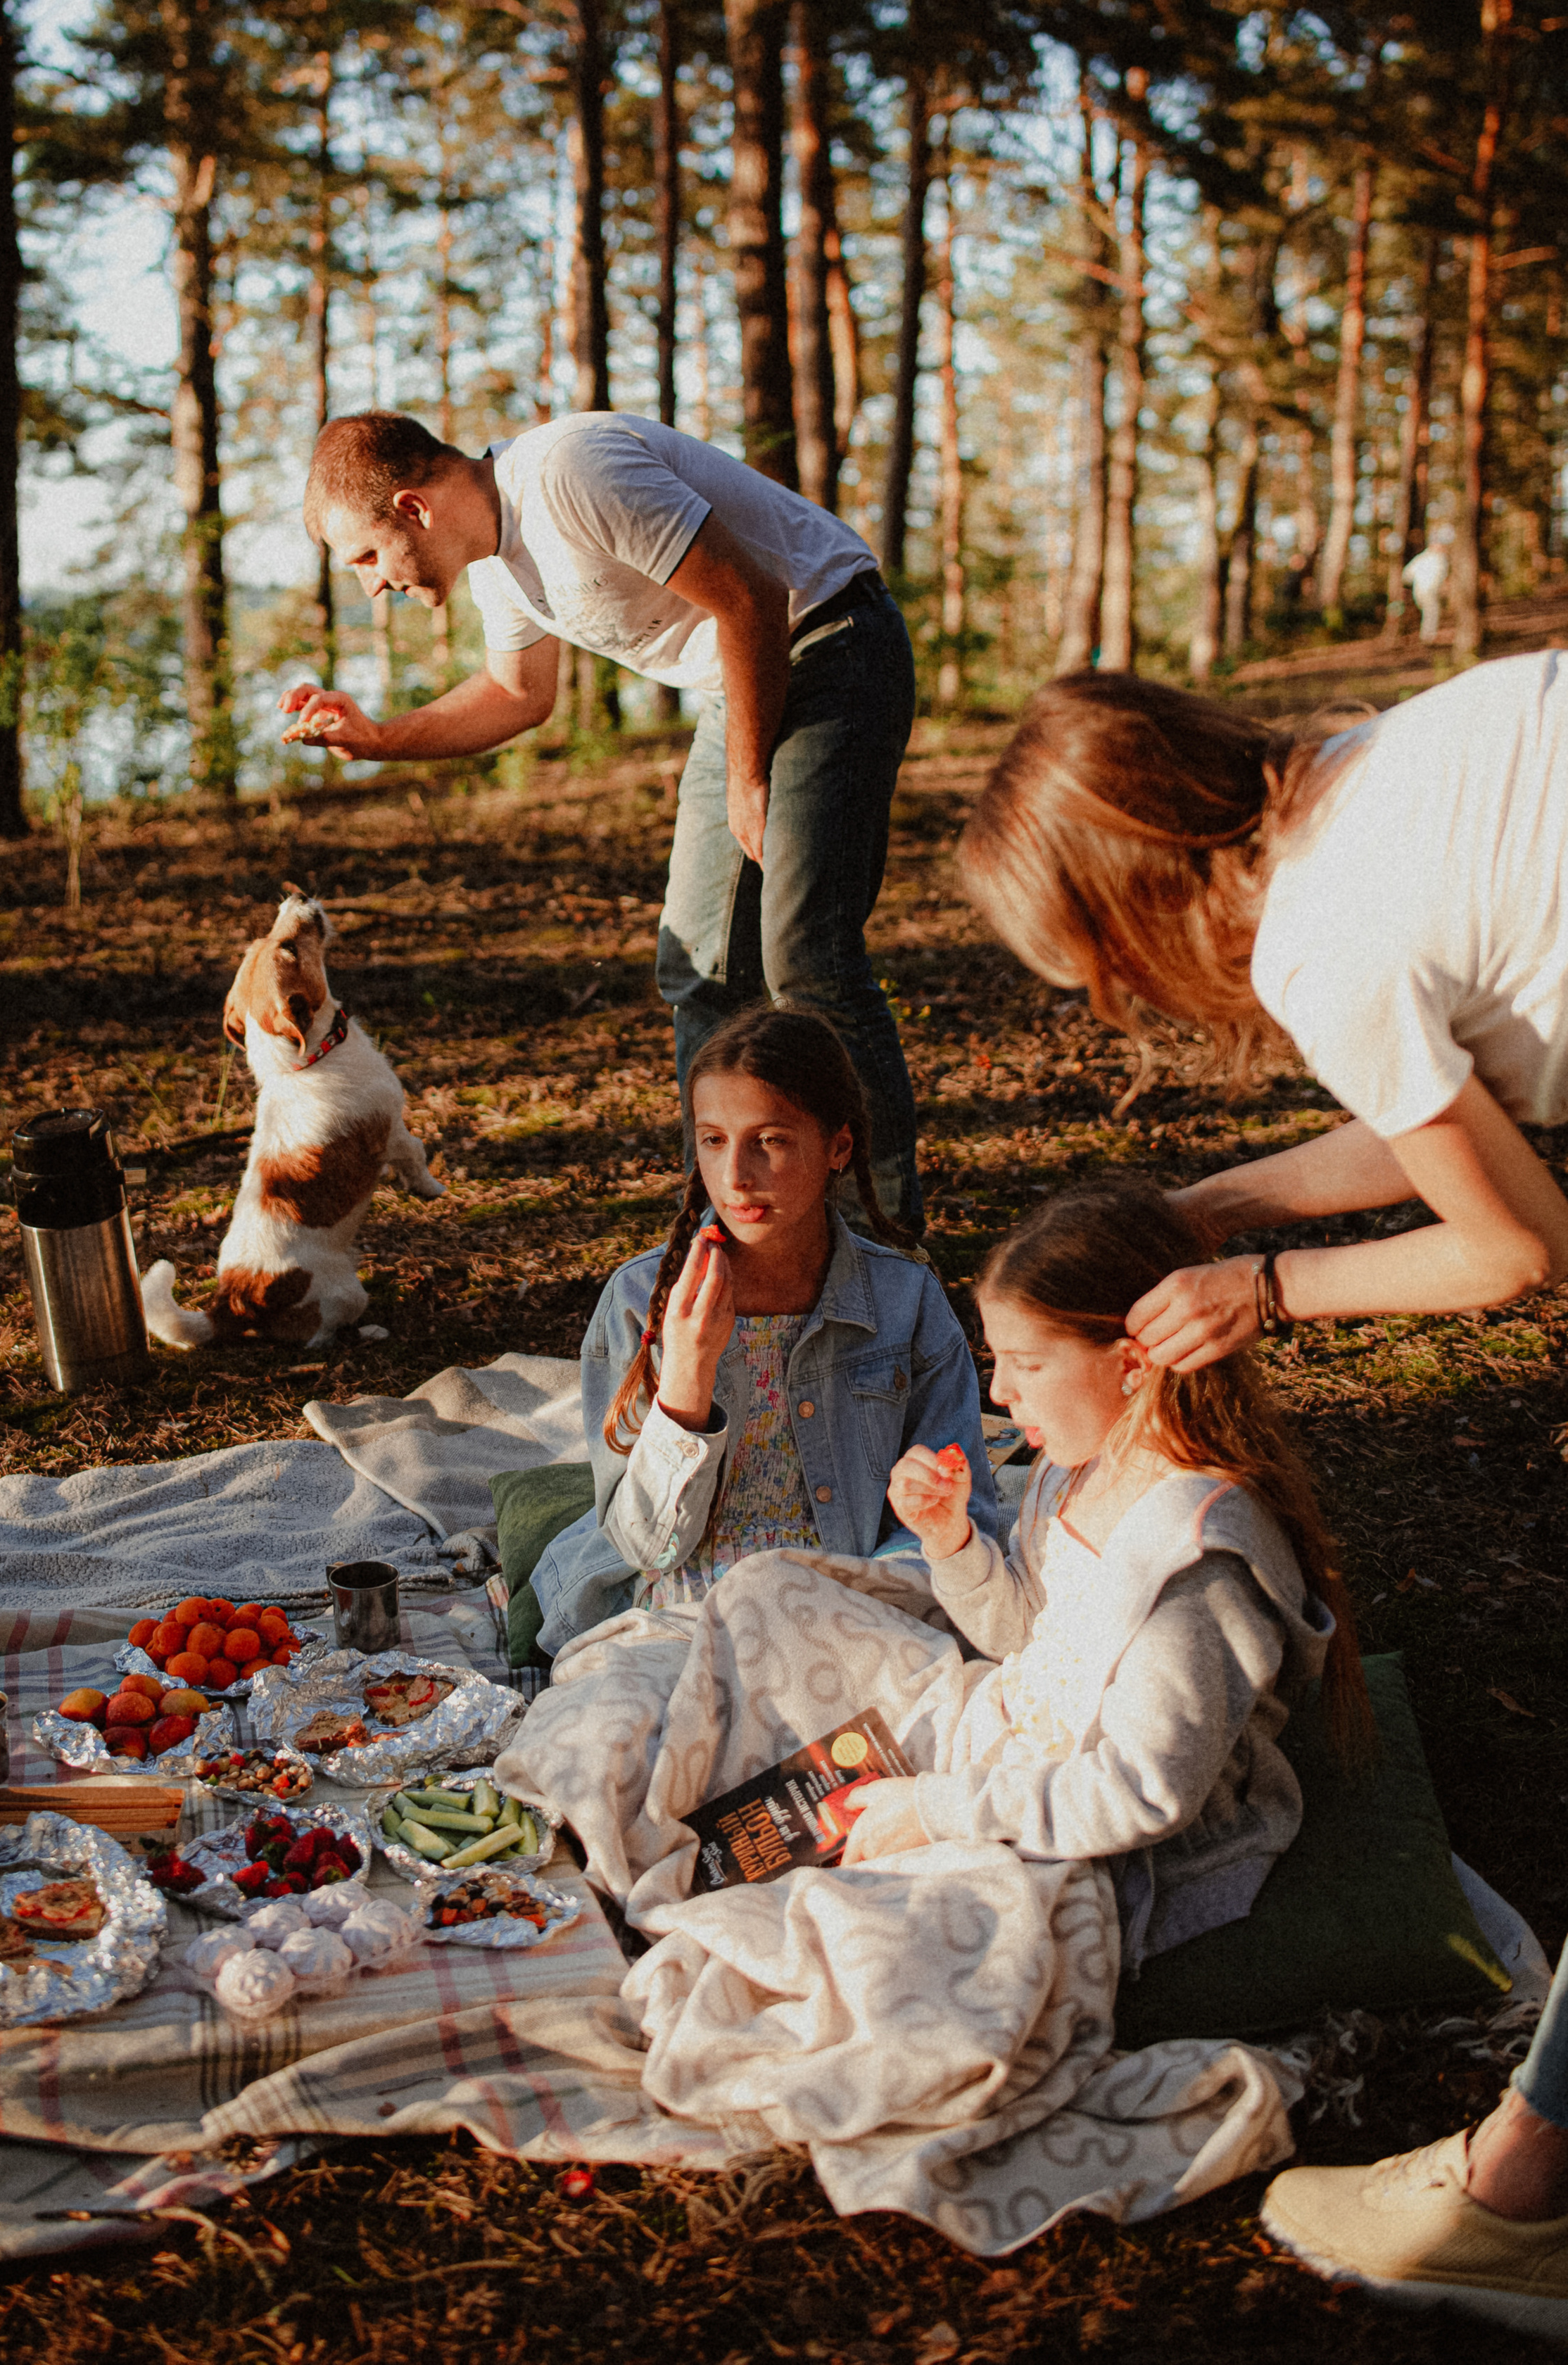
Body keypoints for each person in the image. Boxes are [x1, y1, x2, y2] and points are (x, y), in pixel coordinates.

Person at [956, 654, 1568, 2334]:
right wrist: (1220, 1200)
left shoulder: (1318, 935)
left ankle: (1519, 2201)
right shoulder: (1381, 761)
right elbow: (1473, 1092)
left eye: (1085, 962)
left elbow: (1512, 1240)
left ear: (1128, 888)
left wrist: (1272, 1287)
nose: (1104, 1007)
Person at [279, 409, 921, 1228]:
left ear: (413, 508)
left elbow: (753, 596)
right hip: (746, 675)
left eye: (367, 557)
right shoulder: (497, 563)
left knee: (805, 956)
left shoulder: (568, 473)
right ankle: (721, 1225)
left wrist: (749, 777)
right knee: (701, 966)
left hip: (832, 642)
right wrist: (376, 739)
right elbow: (519, 695)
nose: (373, 584)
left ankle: (886, 1239)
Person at [837, 1178, 1365, 1970]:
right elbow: (1026, 1635)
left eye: (1025, 1362)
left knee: (870, 1954)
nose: (999, 1391)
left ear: (1130, 1364)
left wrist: (937, 1811)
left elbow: (1142, 1792)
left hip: (1117, 1847)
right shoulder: (1072, 1469)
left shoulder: (1195, 1559)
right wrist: (953, 1545)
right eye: (996, 1359)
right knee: (777, 1608)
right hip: (1025, 1759)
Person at [529, 1004, 996, 1658]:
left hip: (849, 1608)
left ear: (839, 1147)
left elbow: (961, 1509)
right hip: (678, 1618)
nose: (735, 1176)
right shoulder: (642, 1301)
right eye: (714, 1139)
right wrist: (687, 1373)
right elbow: (642, 1545)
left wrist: (853, 1610)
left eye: (770, 1140)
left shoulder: (904, 1299)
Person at [1402, 524, 1453, 643]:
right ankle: (1428, 637)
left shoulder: (1422, 558)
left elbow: (1406, 575)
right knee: (1432, 611)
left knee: (1429, 611)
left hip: (1419, 591)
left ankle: (1427, 636)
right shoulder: (1440, 559)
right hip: (1428, 590)